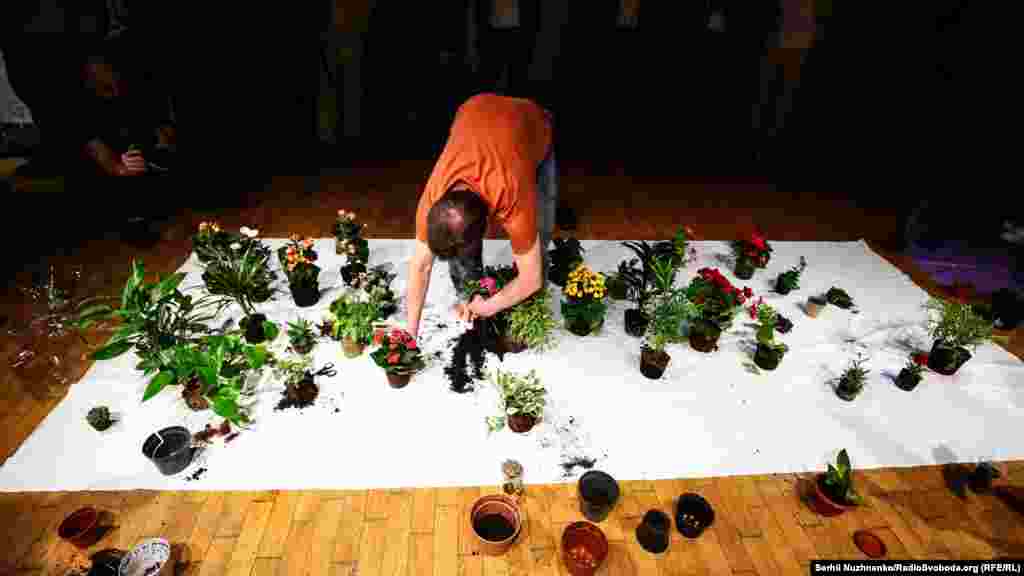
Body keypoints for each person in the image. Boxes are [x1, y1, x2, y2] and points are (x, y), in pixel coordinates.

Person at [406, 93, 557, 339]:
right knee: (459, 240)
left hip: (532, 124)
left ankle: (528, 308)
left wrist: (491, 306)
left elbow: (531, 279)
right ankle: (471, 294)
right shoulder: (433, 199)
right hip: (473, 108)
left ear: (488, 226)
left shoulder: (513, 196)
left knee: (541, 229)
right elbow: (420, 266)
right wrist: (410, 335)